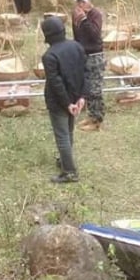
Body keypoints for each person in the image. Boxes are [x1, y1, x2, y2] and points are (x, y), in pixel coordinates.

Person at [40, 16, 88, 183]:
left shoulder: (49, 56)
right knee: (68, 132)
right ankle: (64, 160)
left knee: (62, 136)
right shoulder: (77, 46)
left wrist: (67, 103)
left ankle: (69, 171)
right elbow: (85, 72)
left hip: (60, 102)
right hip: (75, 97)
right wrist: (81, 97)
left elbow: (56, 83)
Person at [72, 0, 105, 132]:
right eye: (78, 2)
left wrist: (84, 20)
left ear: (88, 1)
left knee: (95, 89)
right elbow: (77, 37)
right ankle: (91, 115)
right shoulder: (76, 16)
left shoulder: (95, 15)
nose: (80, 5)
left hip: (95, 56)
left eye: (82, 1)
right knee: (87, 88)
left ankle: (97, 120)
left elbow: (95, 35)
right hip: (83, 56)